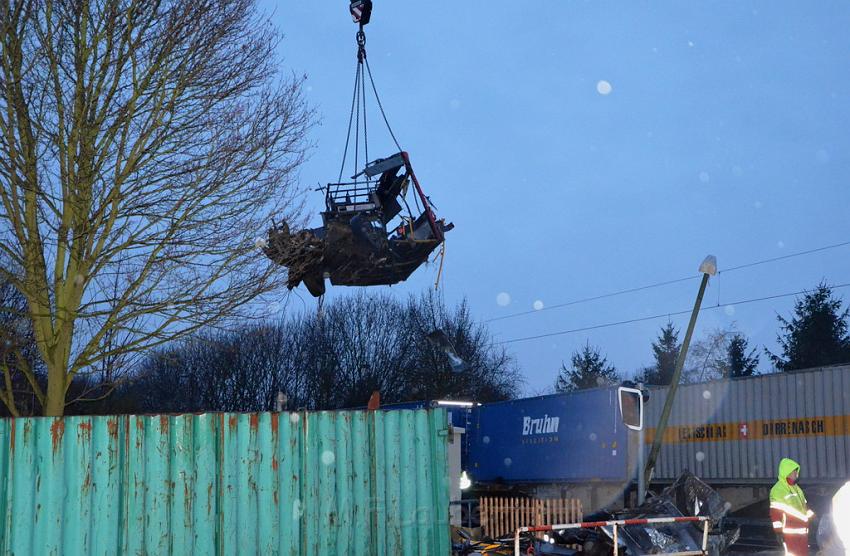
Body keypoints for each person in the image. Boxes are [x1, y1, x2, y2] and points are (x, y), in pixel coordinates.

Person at [770, 458, 814, 556]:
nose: (796, 474)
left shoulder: (797, 488)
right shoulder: (778, 490)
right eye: (794, 472)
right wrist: (779, 532)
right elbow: (775, 513)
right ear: (787, 472)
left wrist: (812, 518)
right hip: (789, 533)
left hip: (802, 531)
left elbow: (804, 506)